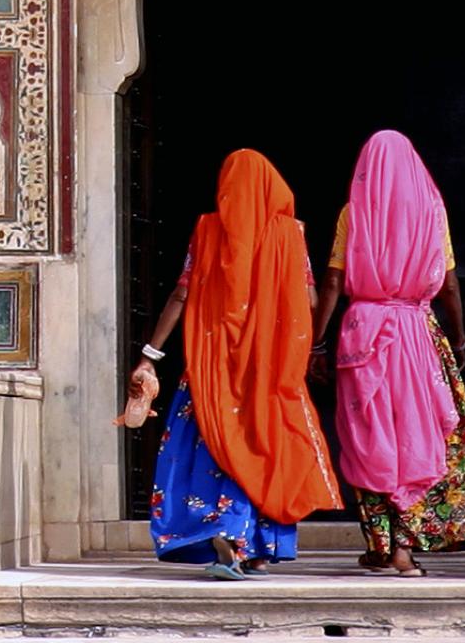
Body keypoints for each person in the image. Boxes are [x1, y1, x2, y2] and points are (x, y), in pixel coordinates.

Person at [129, 149, 344, 581]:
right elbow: (309, 298)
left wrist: (150, 354)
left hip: (213, 368)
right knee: (265, 444)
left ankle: (227, 538)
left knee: (216, 446)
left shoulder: (207, 230)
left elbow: (182, 293)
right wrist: (303, 344)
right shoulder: (291, 234)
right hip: (268, 369)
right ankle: (260, 548)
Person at [309, 130, 465, 577]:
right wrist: (459, 338)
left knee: (369, 439)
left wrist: (317, 341)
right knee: (415, 437)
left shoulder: (354, 212)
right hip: (417, 334)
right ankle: (405, 551)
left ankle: (381, 545)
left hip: (362, 333)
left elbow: (333, 281)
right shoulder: (432, 212)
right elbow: (449, 284)